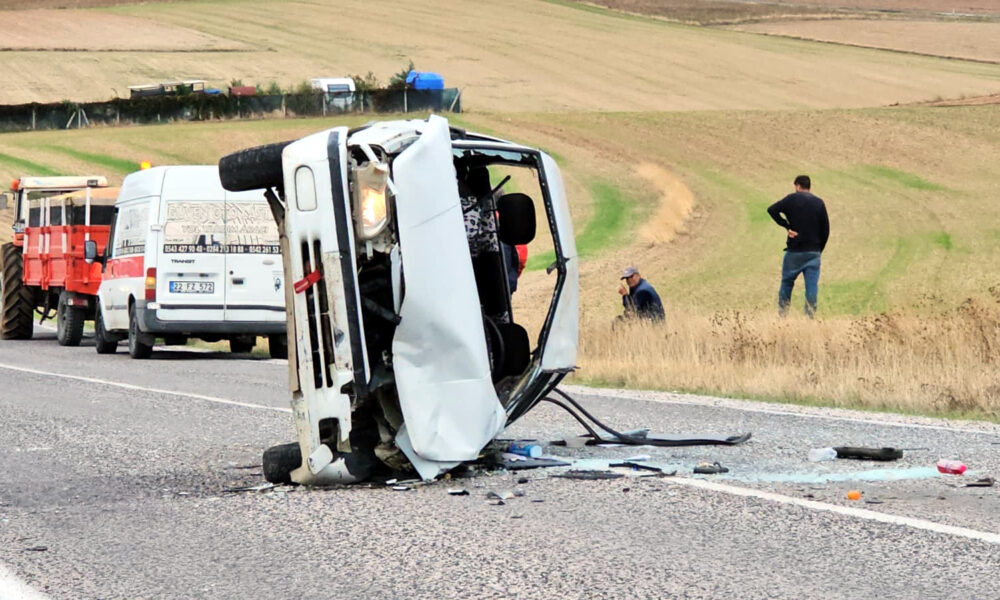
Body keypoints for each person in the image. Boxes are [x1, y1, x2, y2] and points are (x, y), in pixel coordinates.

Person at [766, 175, 829, 318]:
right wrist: (818, 250)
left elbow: (771, 210)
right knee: (811, 287)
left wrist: (787, 226)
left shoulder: (791, 199)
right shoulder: (819, 203)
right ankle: (809, 317)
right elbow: (825, 230)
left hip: (794, 251)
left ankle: (783, 316)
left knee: (787, 283)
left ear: (798, 186)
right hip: (813, 252)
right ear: (809, 186)